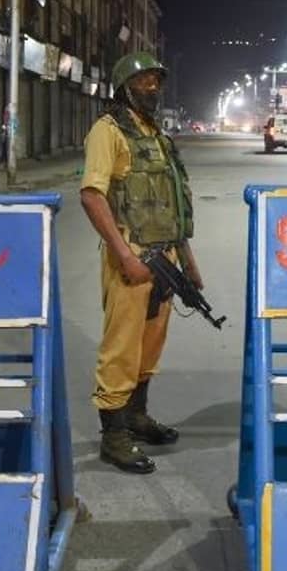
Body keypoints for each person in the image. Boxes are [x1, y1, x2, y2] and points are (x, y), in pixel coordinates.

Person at [79, 52, 203, 475]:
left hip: (165, 257)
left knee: (150, 345)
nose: (152, 86)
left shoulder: (158, 136)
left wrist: (188, 262)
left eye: (156, 79)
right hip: (131, 257)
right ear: (125, 86)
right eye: (144, 79)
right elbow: (92, 196)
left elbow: (174, 207)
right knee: (121, 348)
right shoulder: (108, 131)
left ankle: (137, 416)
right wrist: (125, 256)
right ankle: (114, 437)